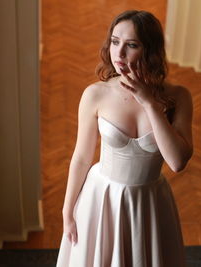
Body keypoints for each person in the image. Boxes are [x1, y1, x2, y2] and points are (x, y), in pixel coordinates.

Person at [56, 10, 193, 267]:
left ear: (150, 51)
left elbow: (177, 162)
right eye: (115, 41)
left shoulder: (178, 97)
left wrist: (150, 104)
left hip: (149, 203)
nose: (118, 54)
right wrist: (67, 211)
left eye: (131, 45)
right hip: (101, 199)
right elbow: (82, 158)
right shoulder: (95, 95)